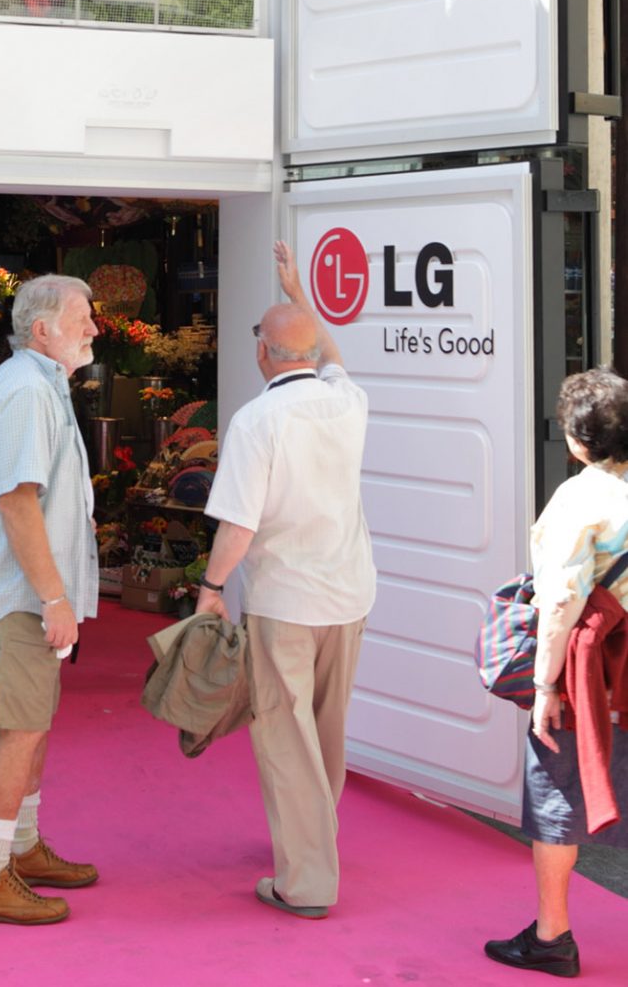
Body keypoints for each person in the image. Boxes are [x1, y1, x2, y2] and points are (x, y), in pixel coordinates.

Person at [196, 240, 376, 920]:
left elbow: (238, 526)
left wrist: (212, 588)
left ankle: (306, 880)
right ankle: (315, 841)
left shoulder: (257, 419)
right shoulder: (346, 400)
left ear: (265, 354)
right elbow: (327, 352)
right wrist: (298, 294)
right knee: (327, 730)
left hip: (286, 599)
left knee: (284, 734)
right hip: (350, 593)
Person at [0, 273, 100, 926]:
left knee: (32, 718)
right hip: (17, 594)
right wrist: (54, 597)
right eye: (83, 316)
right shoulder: (29, 390)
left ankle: (22, 849)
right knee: (23, 724)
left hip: (17, 591)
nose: (94, 327)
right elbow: (17, 501)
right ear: (42, 330)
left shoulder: (34, 384)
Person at [484, 367, 628, 979]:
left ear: (576, 440)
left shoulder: (583, 497)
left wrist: (544, 686)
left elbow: (562, 601)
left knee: (554, 789)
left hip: (589, 666)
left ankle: (552, 935)